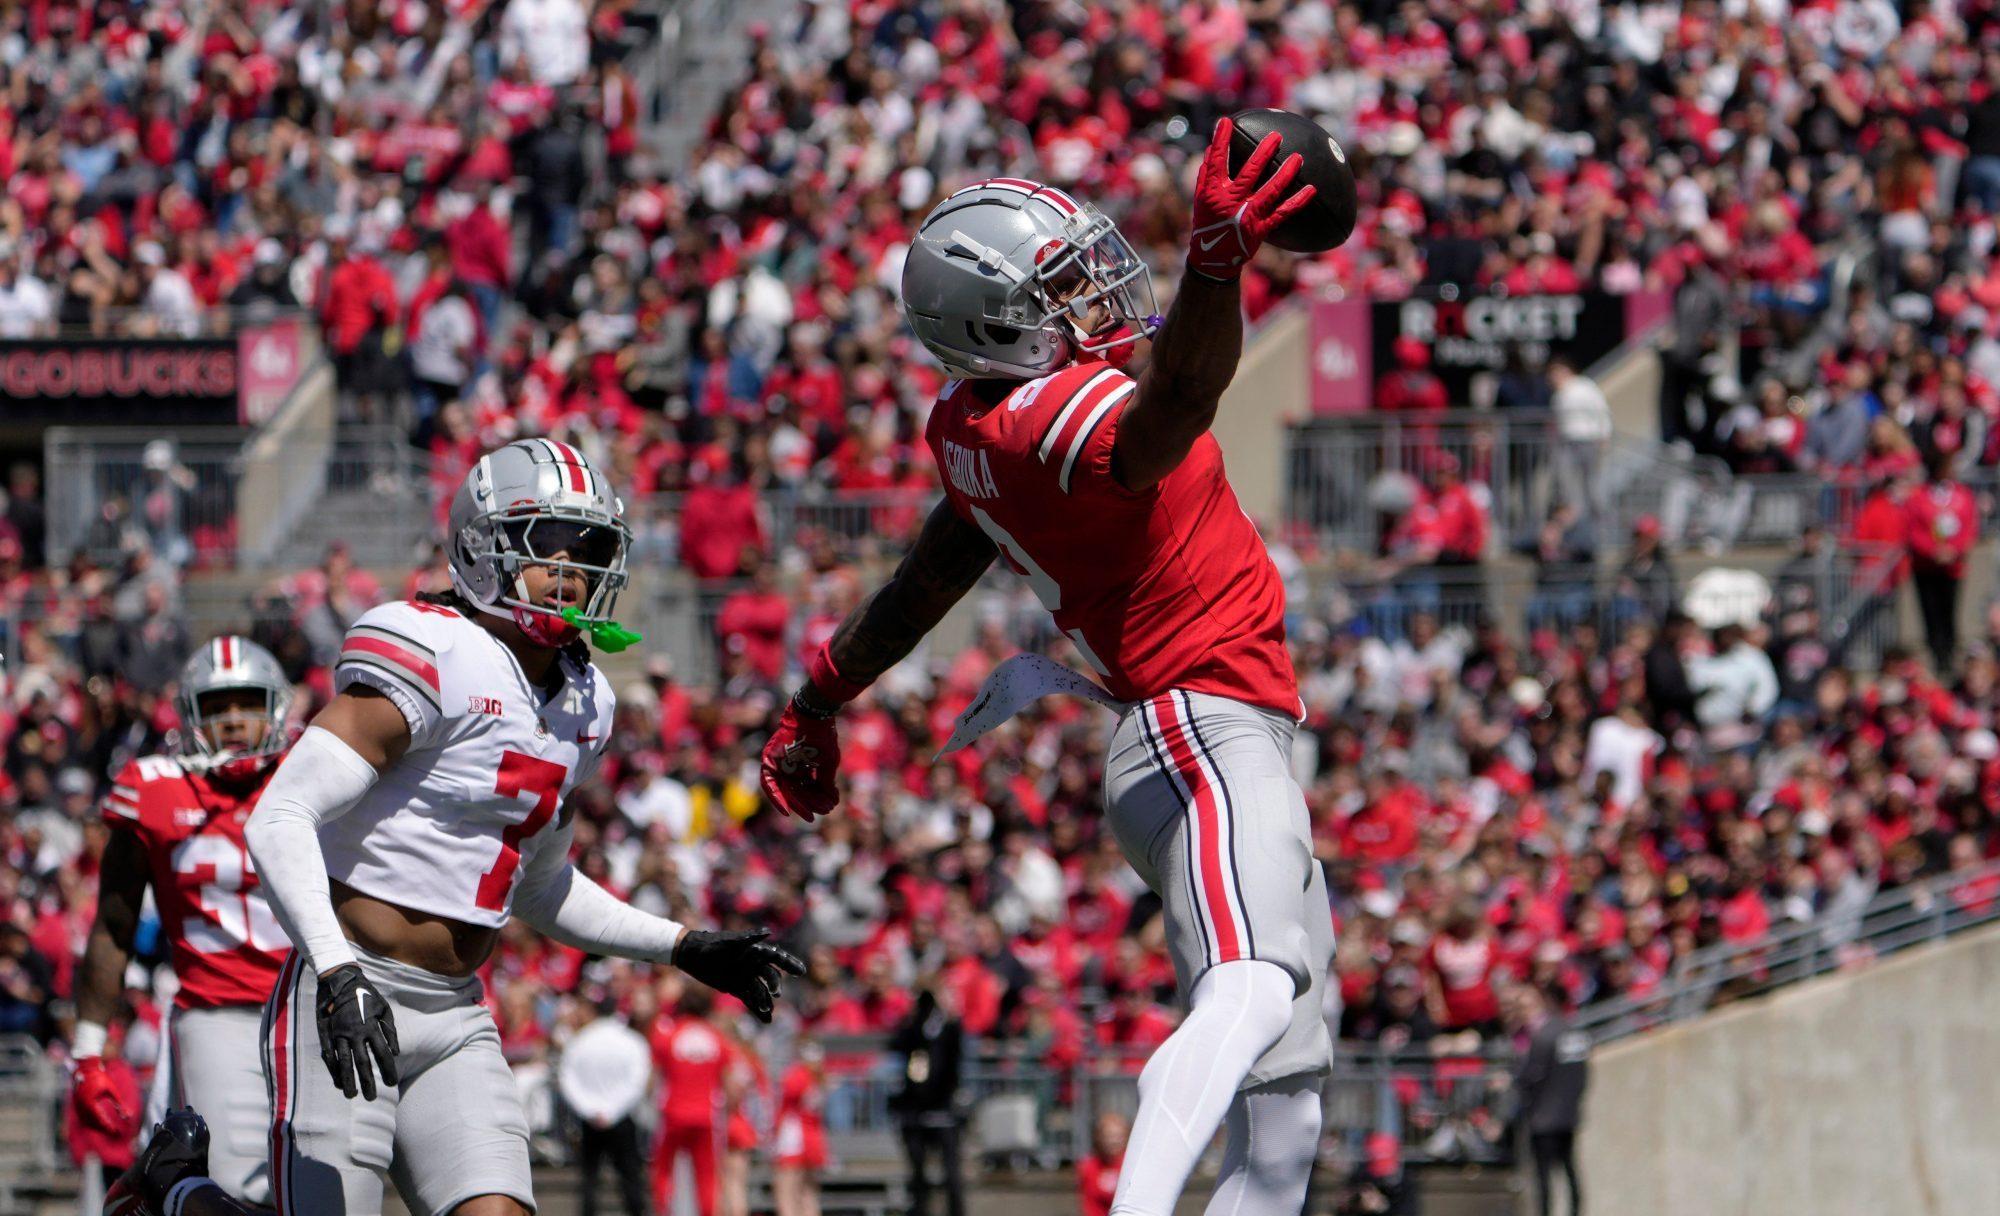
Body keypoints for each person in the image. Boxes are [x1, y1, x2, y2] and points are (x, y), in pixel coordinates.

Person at [760, 119, 1337, 1216]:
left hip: (1220, 727)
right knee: (1251, 987)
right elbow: (1170, 415)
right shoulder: (1045, 413)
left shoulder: (976, 429)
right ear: (993, 325)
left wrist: (820, 693)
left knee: (1286, 1120)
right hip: (1195, 721)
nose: (1101, 301)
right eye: (1065, 290)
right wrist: (1213, 266)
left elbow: (927, 577)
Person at [154, 439, 805, 1216]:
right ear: (483, 548)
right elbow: (280, 815)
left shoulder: (585, 704)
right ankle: (176, 1195)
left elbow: (540, 888)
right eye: (550, 546)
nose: (574, 570)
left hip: (457, 1011)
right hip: (350, 989)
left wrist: (682, 945)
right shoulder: (433, 650)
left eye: (590, 549)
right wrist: (335, 973)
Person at [74, 638, 296, 1204]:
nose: (234, 722)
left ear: (275, 707)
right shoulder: (153, 788)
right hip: (216, 1010)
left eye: (248, 704)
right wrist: (88, 1051)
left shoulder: (311, 775)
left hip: (309, 1010)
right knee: (240, 1191)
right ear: (191, 715)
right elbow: (114, 925)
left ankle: (148, 1194)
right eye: (218, 707)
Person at [558, 995, 652, 1216]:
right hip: (620, 1116)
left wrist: (589, 1109)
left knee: (589, 1176)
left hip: (591, 1117)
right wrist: (613, 1110)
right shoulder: (631, 1040)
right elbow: (638, 1081)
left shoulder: (580, 1040)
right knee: (630, 1174)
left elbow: (567, 1079)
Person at [1508, 986, 1590, 1216]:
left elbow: (1529, 1076)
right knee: (1569, 1170)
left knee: (1546, 1176)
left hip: (1543, 1116)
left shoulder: (1541, 1036)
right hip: (1566, 1114)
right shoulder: (1568, 1030)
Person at [651, 987, 729, 1216]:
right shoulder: (716, 1038)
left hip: (673, 1112)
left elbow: (653, 1076)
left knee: (664, 1170)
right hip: (706, 1114)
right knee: (707, 1175)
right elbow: (731, 1081)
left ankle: (664, 1211)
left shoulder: (669, 1035)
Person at [890, 984, 967, 1216]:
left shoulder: (951, 1028)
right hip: (916, 1110)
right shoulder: (914, 1028)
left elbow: (952, 1061)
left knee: (951, 1171)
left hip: (943, 1109)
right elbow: (900, 1045)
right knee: (917, 1171)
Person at [1905, 451, 1978, 671]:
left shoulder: (1963, 495)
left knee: (1950, 612)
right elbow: (1912, 529)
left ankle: (1949, 656)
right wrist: (1932, 550)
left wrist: (1953, 550)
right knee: (1930, 614)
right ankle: (1937, 657)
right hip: (1926, 567)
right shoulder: (1919, 496)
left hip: (1952, 567)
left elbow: (1969, 526)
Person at [1078, 1112, 1129, 1216]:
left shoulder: (1129, 1165)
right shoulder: (1088, 1166)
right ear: (1099, 1137)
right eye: (1109, 1136)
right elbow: (1089, 1203)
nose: (1114, 1141)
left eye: (1118, 1136)